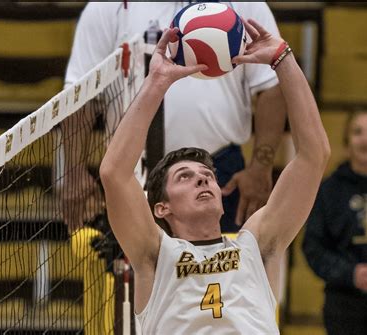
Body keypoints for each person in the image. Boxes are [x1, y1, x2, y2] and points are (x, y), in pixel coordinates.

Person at [99, 18, 330, 334]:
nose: (202, 179)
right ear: (161, 208)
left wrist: (282, 59)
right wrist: (156, 84)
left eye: (207, 175)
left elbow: (314, 155)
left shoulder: (257, 245)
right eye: (184, 177)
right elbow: (113, 173)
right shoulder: (154, 253)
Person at [65, 2, 287, 233]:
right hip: (132, 173)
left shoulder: (244, 4)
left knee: (220, 268)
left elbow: (270, 86)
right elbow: (79, 96)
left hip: (218, 170)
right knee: (137, 267)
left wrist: (261, 167)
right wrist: (73, 172)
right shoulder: (107, 7)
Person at [302, 110, 367, 335]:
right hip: (345, 301)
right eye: (358, 132)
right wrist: (350, 273)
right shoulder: (328, 190)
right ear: (347, 140)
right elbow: (313, 247)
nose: (365, 139)